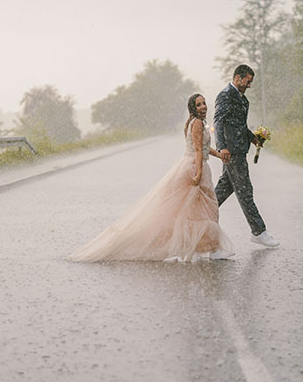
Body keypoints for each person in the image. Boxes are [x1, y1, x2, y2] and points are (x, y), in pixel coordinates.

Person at [68, 94, 234, 262]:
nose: (203, 107)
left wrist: (219, 155)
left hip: (194, 165)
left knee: (195, 211)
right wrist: (198, 173)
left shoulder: (196, 122)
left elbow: (204, 148)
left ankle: (201, 247)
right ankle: (211, 249)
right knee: (206, 210)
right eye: (199, 105)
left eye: (204, 103)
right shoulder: (197, 123)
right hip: (194, 167)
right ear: (193, 108)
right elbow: (198, 150)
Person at [214, 64, 279, 247]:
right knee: (245, 191)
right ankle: (258, 231)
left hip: (240, 150)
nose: (249, 85)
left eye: (251, 82)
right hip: (232, 152)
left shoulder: (243, 100)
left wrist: (254, 139)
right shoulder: (225, 96)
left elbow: (241, 126)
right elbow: (218, 122)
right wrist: (221, 147)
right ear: (237, 78)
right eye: (247, 81)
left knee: (223, 190)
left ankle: (198, 216)